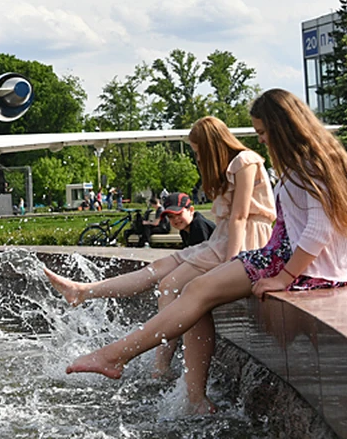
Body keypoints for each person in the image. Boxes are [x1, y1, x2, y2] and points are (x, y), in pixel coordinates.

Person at [63, 90, 347, 413]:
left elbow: (320, 230)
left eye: (264, 133)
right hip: (280, 256)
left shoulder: (311, 164)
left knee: (196, 290)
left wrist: (284, 277)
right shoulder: (308, 161)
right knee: (193, 291)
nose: (264, 141)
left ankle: (116, 356)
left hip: (299, 267)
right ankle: (193, 398)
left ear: (285, 127)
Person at [46, 115, 276, 412]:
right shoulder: (235, 165)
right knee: (157, 270)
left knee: (171, 284)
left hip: (244, 240)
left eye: (197, 151)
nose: (196, 157)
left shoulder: (245, 161)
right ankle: (84, 291)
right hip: (224, 238)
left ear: (210, 144)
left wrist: (231, 265)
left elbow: (241, 217)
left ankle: (161, 364)